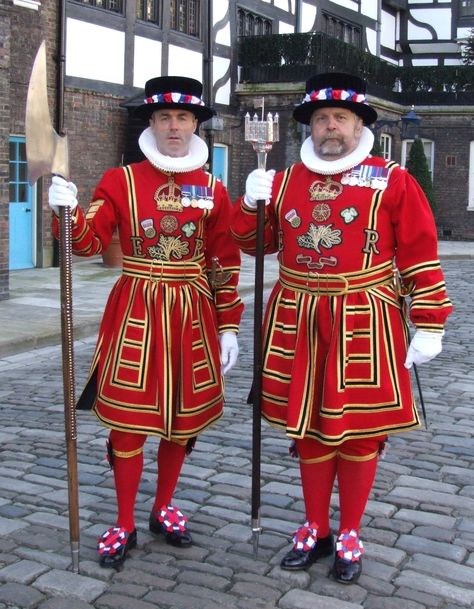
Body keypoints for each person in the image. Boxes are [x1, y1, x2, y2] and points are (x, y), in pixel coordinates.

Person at [231, 72, 452, 584]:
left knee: (357, 432)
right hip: (297, 315)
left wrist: (431, 322)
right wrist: (249, 202)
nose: (331, 128)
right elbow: (255, 245)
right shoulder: (283, 180)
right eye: (321, 119)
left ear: (359, 125)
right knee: (308, 429)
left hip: (364, 318)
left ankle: (349, 530)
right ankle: (315, 525)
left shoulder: (394, 180)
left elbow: (421, 255)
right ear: (309, 126)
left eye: (341, 119)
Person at [48, 76, 244, 568]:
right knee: (128, 424)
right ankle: (124, 520)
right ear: (152, 123)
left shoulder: (213, 188)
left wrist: (229, 325)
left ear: (195, 123)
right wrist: (66, 213)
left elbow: (223, 261)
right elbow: (89, 242)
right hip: (136, 307)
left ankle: (163, 507)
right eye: (164, 118)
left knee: (180, 422)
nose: (173, 126)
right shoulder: (121, 181)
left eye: (182, 118)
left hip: (193, 313)